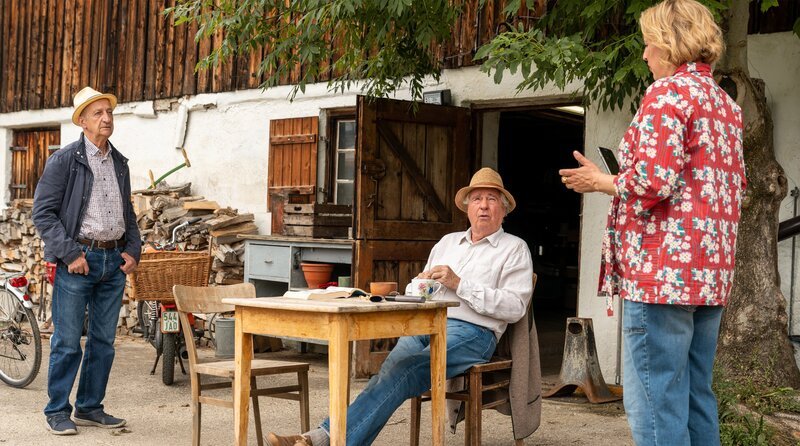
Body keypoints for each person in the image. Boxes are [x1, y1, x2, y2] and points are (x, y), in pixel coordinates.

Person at [559, 0, 746, 444]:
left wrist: (601, 180)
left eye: (649, 45)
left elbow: (654, 182)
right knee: (697, 395)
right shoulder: (725, 105)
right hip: (709, 274)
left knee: (655, 403)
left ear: (670, 44)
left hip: (662, 274)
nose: (644, 55)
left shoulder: (667, 94)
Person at [267, 167, 535, 446]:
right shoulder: (448, 243)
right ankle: (326, 437)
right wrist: (419, 284)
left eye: (492, 199)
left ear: (504, 210)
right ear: (467, 208)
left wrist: (460, 283)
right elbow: (417, 292)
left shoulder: (514, 248)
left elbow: (515, 307)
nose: (483, 206)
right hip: (426, 322)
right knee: (389, 372)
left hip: (474, 333)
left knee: (404, 371)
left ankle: (323, 438)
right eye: (477, 198)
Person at [33, 86, 142, 435]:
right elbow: (43, 213)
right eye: (97, 114)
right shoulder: (65, 159)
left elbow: (129, 214)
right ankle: (57, 411)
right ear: (82, 121)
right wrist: (71, 254)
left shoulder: (120, 162)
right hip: (78, 261)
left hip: (114, 262)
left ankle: (90, 407)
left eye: (109, 113)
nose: (106, 119)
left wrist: (133, 250)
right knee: (66, 341)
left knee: (103, 343)